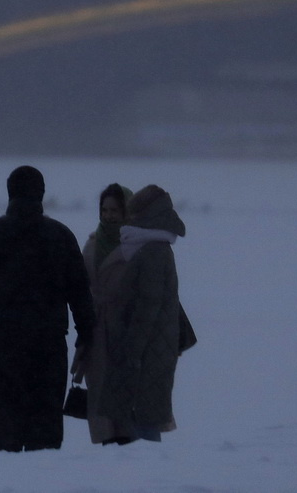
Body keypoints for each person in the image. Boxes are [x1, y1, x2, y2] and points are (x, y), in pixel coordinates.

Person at [0, 165, 94, 452]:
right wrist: (86, 331)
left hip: (4, 341)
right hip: (49, 343)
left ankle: (7, 480)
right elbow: (79, 290)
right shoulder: (60, 236)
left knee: (8, 424)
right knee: (45, 429)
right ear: (41, 194)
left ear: (9, 193)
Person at [80, 183, 186, 445]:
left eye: (116, 209)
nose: (109, 215)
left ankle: (139, 473)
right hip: (106, 337)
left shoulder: (144, 248)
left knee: (140, 418)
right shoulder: (98, 245)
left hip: (133, 345)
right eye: (104, 209)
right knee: (118, 414)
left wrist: (132, 350)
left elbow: (148, 305)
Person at [83, 182, 133, 282]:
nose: (108, 216)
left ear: (127, 212)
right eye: (104, 210)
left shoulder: (137, 245)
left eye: (114, 210)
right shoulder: (91, 246)